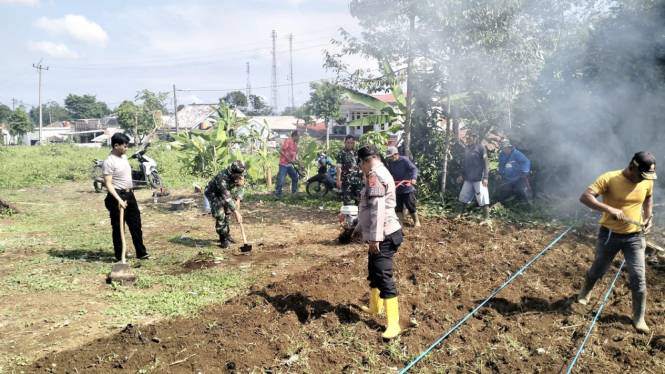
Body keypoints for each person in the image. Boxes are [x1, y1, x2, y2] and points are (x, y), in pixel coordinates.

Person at [576, 152, 656, 334]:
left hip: (635, 237)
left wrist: (649, 217)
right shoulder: (609, 178)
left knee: (638, 276)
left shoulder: (646, 180)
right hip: (610, 235)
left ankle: (639, 317)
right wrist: (608, 208)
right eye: (641, 175)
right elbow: (585, 197)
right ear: (632, 168)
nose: (643, 180)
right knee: (598, 268)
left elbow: (649, 197)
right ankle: (585, 292)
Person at [352, 144, 403, 340]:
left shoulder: (375, 176)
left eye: (361, 165)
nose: (361, 169)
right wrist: (358, 229)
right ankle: (375, 308)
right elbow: (367, 206)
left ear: (363, 161)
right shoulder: (379, 172)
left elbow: (378, 209)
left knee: (383, 276)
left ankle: (393, 325)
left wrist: (374, 238)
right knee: (374, 270)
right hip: (380, 235)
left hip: (384, 236)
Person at [102, 133, 151, 261]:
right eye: (125, 146)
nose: (126, 148)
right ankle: (120, 256)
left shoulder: (123, 158)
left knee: (136, 224)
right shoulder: (109, 161)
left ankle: (141, 252)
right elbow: (108, 184)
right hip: (117, 195)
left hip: (129, 195)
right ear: (116, 145)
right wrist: (119, 200)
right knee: (119, 228)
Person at [447, 130, 491, 224]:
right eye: (467, 138)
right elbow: (466, 164)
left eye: (469, 138)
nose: (468, 140)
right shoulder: (467, 148)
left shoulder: (481, 148)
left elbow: (486, 164)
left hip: (479, 178)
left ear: (475, 138)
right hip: (468, 178)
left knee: (482, 197)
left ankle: (486, 219)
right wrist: (462, 175)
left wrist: (486, 177)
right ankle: (457, 213)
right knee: (463, 195)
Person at [204, 161, 246, 248]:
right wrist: (236, 213)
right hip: (213, 193)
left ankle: (226, 234)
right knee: (220, 215)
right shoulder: (222, 178)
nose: (239, 177)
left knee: (227, 213)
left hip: (225, 193)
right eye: (237, 175)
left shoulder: (240, 173)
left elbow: (241, 186)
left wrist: (238, 200)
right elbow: (227, 198)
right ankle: (223, 240)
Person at [385, 146, 420, 227]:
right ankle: (400, 222)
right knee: (398, 206)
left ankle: (416, 221)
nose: (390, 158)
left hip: (406, 187)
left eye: (391, 156)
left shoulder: (404, 160)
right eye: (389, 156)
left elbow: (414, 168)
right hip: (396, 187)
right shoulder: (390, 162)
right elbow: (390, 172)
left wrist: (414, 178)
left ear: (396, 154)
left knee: (410, 204)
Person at [496, 138, 532, 208]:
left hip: (519, 177)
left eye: (504, 148)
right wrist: (499, 173)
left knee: (522, 191)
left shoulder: (517, 154)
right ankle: (507, 206)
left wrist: (525, 171)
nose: (503, 150)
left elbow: (526, 161)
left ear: (509, 147)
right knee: (505, 192)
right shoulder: (501, 155)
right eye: (502, 148)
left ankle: (528, 205)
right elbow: (501, 164)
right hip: (508, 178)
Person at [275, 130, 301, 200]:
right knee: (281, 180)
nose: (299, 138)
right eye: (298, 136)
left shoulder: (295, 144)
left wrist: (300, 164)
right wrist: (288, 158)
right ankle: (277, 195)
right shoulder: (288, 141)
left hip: (289, 165)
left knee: (295, 178)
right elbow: (281, 151)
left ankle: (293, 193)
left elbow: (296, 157)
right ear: (295, 136)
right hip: (283, 164)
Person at [336, 135, 362, 206]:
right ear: (345, 142)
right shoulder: (341, 153)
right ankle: (347, 216)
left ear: (354, 143)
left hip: (357, 180)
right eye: (348, 142)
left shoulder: (357, 152)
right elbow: (339, 167)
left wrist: (365, 176)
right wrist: (338, 180)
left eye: (351, 142)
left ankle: (359, 216)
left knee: (359, 199)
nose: (350, 144)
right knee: (347, 200)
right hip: (346, 180)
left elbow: (362, 165)